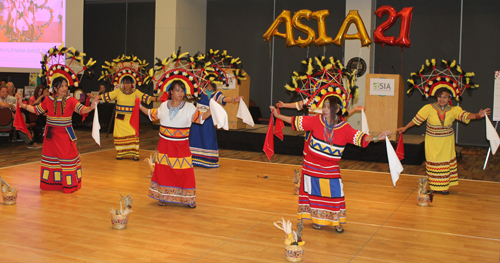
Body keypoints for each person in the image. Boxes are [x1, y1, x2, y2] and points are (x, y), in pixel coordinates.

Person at [271, 96, 390, 233]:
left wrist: (376, 137)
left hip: (330, 168)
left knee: (335, 193)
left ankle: (336, 221)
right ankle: (317, 220)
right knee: (314, 194)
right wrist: (277, 115)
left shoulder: (345, 128)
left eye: (328, 107)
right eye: (324, 107)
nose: (325, 110)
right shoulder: (316, 120)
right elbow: (295, 121)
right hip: (311, 166)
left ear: (337, 109)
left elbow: (360, 138)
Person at [397, 88, 490, 195]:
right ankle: (433, 186)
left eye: (445, 97)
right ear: (436, 97)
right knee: (433, 162)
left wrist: (478, 115)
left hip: (447, 142)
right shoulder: (428, 108)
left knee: (445, 162)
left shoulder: (454, 110)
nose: (442, 99)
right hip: (432, 141)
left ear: (449, 98)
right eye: (440, 97)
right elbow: (417, 119)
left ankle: (445, 187)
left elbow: (465, 115)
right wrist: (405, 128)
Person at [16, 77, 99, 193]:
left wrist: (91, 107)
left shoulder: (70, 100)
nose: (65, 88)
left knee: (68, 158)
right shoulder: (48, 100)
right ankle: (52, 184)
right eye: (62, 86)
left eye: (66, 86)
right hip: (51, 135)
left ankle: (69, 184)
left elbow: (81, 110)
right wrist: (22, 105)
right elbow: (36, 110)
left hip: (65, 134)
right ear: (55, 88)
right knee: (51, 158)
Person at [139, 80, 211, 208]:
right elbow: (151, 114)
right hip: (164, 145)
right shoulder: (164, 105)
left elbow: (201, 117)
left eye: (182, 90)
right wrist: (139, 106)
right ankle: (162, 197)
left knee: (185, 171)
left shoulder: (189, 107)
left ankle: (188, 198)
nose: (180, 93)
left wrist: (213, 109)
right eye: (177, 90)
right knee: (163, 171)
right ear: (171, 92)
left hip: (181, 145)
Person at [99, 75, 158, 160]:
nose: (127, 85)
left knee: (133, 135)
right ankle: (120, 153)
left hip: (131, 119)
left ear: (132, 84)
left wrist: (157, 99)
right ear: (122, 84)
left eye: (129, 83)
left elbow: (146, 97)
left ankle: (135, 154)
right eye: (125, 83)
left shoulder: (136, 92)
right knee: (119, 135)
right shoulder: (118, 91)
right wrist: (96, 97)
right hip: (120, 119)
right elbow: (107, 95)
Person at [190, 82, 243, 168]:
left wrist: (233, 99)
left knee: (208, 137)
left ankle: (209, 160)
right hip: (197, 117)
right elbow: (189, 95)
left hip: (208, 118)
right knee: (195, 136)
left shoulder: (216, 94)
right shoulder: (199, 90)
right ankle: (194, 159)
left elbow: (224, 99)